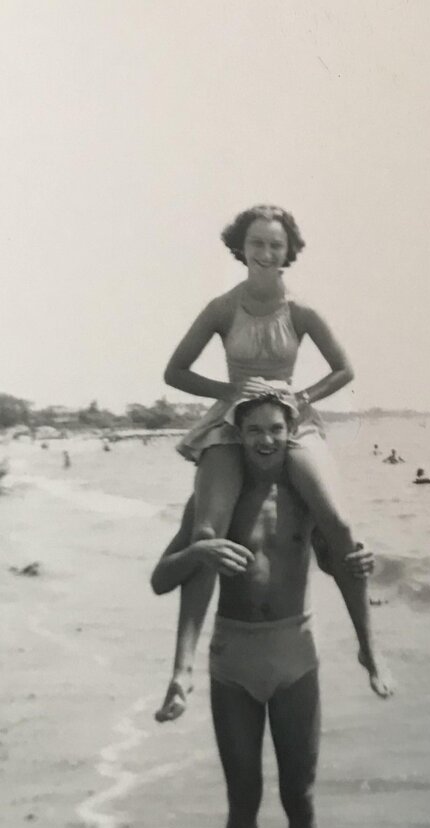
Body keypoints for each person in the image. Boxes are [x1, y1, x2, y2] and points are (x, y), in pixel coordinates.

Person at [151, 395, 392, 828]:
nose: (265, 440)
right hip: (233, 658)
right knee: (243, 801)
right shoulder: (214, 500)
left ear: (291, 433)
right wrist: (198, 554)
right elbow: (161, 579)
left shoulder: (304, 495)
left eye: (275, 430)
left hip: (295, 656)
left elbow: (339, 563)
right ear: (238, 435)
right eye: (254, 430)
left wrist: (360, 562)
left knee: (300, 801)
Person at [156, 204, 370, 721]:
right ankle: (181, 670)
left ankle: (368, 645)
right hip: (234, 419)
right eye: (257, 243)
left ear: (288, 251)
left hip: (287, 418)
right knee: (207, 532)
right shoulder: (222, 307)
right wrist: (229, 388)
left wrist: (303, 398)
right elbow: (174, 371)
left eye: (276, 245)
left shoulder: (301, 310)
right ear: (241, 247)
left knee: (339, 522)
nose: (266, 253)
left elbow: (344, 369)